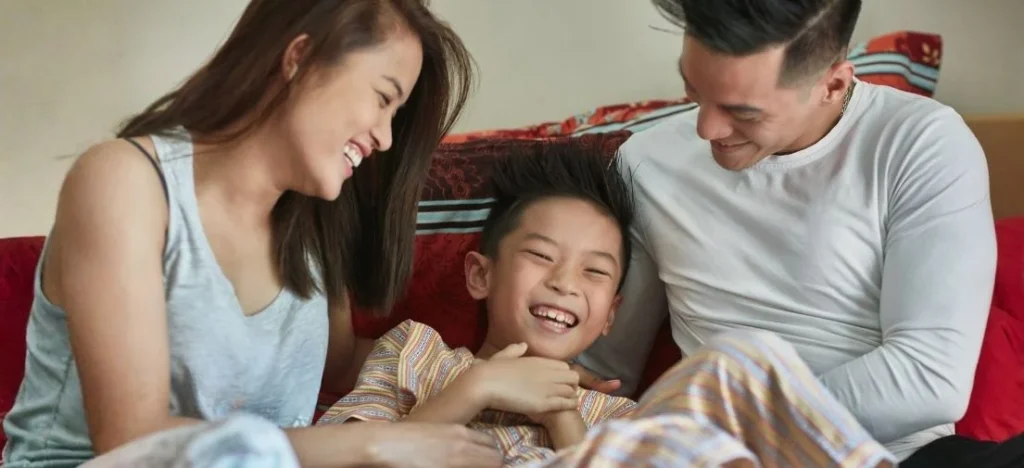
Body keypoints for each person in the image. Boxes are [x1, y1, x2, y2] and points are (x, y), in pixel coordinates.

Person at [1, 1, 502, 467]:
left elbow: (343, 364)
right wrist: (372, 442)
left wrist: (485, 376)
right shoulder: (125, 181)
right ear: (301, 58)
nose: (385, 137)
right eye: (382, 98)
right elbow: (134, 441)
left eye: (395, 115)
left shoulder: (312, 234)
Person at [571, 0, 1000, 463]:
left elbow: (928, 378)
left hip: (893, 457)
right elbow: (605, 371)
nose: (706, 128)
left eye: (744, 112)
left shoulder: (920, 144)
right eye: (693, 90)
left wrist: (725, 423)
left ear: (832, 85)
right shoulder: (645, 164)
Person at [319, 143, 896, 467]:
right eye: (542, 256)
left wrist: (562, 414)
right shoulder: (414, 352)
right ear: (480, 274)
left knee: (742, 359)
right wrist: (478, 388)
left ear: (611, 313)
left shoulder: (616, 417)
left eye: (594, 271)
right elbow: (353, 458)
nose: (567, 282)